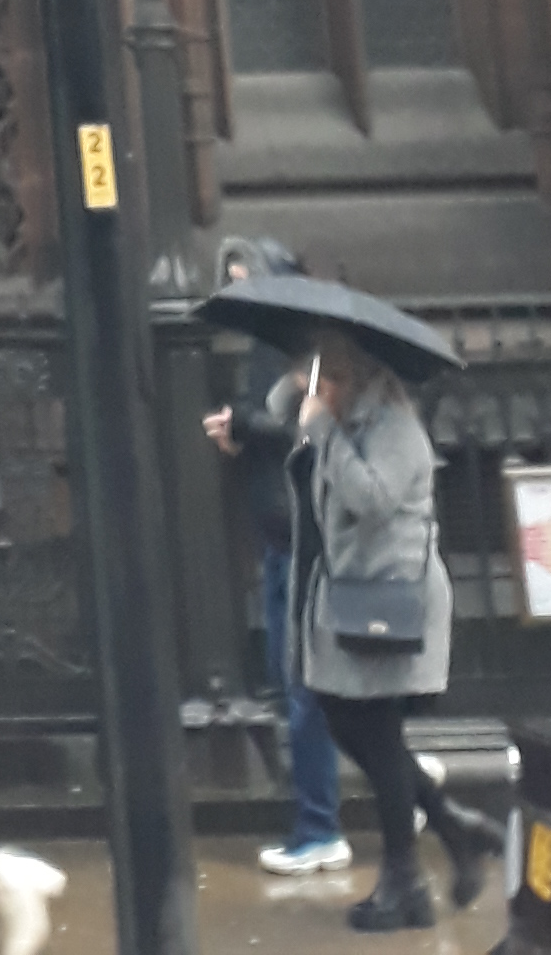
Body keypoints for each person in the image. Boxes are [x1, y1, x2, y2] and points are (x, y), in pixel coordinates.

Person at [290, 330, 499, 933]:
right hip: (353, 598)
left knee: (377, 734)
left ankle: (405, 882)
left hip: (392, 600)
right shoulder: (346, 425)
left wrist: (324, 433)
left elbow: (373, 499)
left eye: (323, 377)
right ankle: (452, 827)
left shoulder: (394, 429)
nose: (315, 388)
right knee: (345, 719)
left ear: (350, 378)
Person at [204, 232, 349, 880]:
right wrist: (241, 434)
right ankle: (401, 777)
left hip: (306, 538)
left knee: (305, 690)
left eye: (247, 279)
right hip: (278, 536)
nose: (241, 293)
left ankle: (320, 830)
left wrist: (244, 425)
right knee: (295, 684)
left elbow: (308, 430)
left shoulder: (307, 348)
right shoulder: (268, 349)